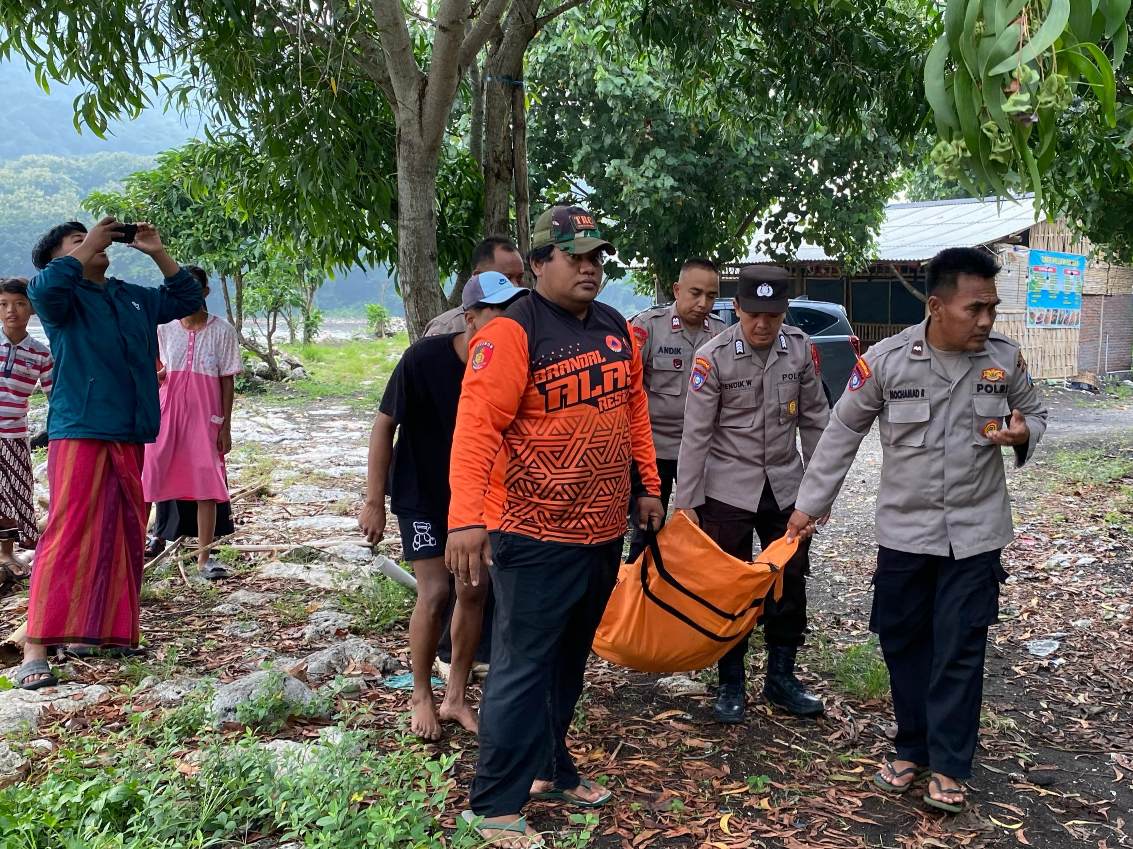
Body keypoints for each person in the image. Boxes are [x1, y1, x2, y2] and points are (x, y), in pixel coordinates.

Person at [785, 247, 1048, 813]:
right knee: (903, 641)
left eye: (992, 308)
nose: (986, 320)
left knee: (960, 645)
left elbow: (1035, 412)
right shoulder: (886, 361)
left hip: (976, 534)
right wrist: (810, 506)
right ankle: (912, 745)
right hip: (905, 534)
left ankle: (949, 763)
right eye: (975, 308)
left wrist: (1024, 432)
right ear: (935, 306)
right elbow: (841, 432)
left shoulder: (1004, 359)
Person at [446, 204, 664, 848]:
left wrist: (648, 486)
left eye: (597, 257)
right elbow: (476, 428)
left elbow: (634, 411)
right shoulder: (512, 332)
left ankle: (549, 768)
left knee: (569, 659)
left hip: (600, 531)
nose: (590, 268)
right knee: (521, 665)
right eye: (575, 257)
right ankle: (493, 804)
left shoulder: (615, 327)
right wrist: (466, 520)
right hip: (532, 531)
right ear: (540, 263)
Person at [14, 217, 203, 690]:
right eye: (78, 241)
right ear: (58, 260)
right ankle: (35, 646)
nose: (95, 244)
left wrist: (156, 250)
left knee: (123, 529)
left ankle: (101, 633)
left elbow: (187, 300)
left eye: (94, 239)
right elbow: (43, 289)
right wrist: (87, 246)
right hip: (81, 427)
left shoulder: (130, 296)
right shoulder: (60, 297)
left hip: (130, 429)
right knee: (69, 529)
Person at [360, 271, 529, 740]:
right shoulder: (423, 358)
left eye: (513, 312)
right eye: (496, 312)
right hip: (422, 494)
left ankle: (456, 695)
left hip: (475, 498)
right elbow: (384, 426)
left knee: (473, 590)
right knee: (435, 593)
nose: (506, 322)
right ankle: (421, 693)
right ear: (470, 318)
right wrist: (374, 500)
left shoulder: (514, 364)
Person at [674, 265, 829, 723]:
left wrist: (817, 494)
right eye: (754, 314)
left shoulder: (799, 349)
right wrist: (687, 503)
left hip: (784, 487)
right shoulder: (713, 357)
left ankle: (782, 677)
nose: (763, 324)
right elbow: (696, 435)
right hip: (728, 489)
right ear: (737, 308)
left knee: (789, 580)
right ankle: (731, 681)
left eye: (773, 315)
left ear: (785, 312)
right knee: (729, 586)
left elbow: (815, 421)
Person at [142, 266, 242, 580]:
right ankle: (134, 550)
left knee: (206, 483)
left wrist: (225, 426)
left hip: (205, 416)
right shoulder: (164, 328)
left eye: (193, 288)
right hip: (166, 414)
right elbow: (160, 368)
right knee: (149, 478)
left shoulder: (222, 330)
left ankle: (203, 559)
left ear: (205, 292)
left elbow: (227, 381)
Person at [626, 257, 724, 561]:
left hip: (701, 452)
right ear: (677, 290)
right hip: (653, 451)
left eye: (711, 296)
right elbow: (628, 391)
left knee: (704, 532)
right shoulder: (648, 327)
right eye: (695, 293)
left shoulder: (721, 334)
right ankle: (638, 586)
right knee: (647, 531)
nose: (703, 303)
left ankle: (689, 586)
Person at [0, 278, 53, 582]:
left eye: (20, 304)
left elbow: (54, 396)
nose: (12, 311)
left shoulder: (40, 353)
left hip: (16, 435)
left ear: (32, 308)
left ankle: (6, 552)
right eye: (4, 304)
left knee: (14, 494)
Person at [423, 236, 526, 337]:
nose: (515, 285)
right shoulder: (446, 328)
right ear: (478, 276)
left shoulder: (525, 319)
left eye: (519, 278)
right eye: (506, 278)